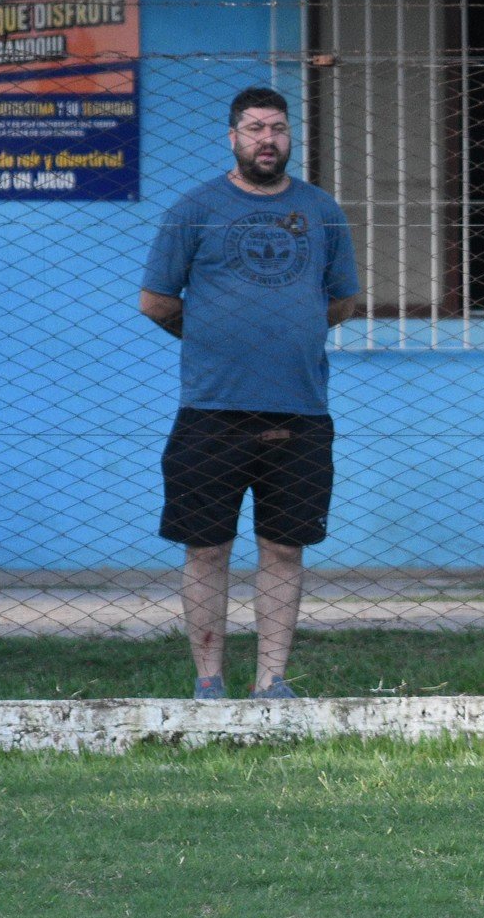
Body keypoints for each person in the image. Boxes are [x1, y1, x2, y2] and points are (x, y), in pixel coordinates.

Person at [139, 87, 360, 700]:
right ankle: (209, 679)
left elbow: (341, 300)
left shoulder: (321, 211)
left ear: (291, 138)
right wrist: (213, 334)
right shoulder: (194, 210)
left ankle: (272, 681)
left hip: (301, 411)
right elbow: (156, 301)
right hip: (211, 410)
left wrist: (290, 331)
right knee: (206, 550)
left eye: (279, 129)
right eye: (255, 128)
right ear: (232, 138)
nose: (268, 139)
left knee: (284, 549)